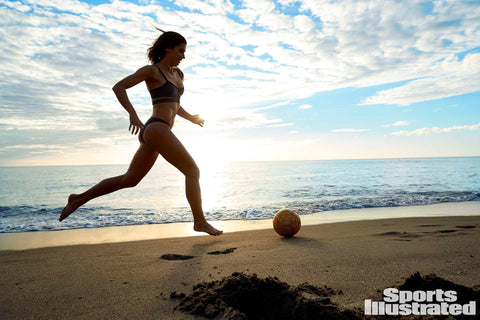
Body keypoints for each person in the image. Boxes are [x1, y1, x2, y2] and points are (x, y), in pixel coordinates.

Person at [59, 30, 223, 236]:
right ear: (168, 48)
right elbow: (119, 87)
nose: (184, 56)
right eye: (181, 51)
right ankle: (199, 222)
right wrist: (132, 114)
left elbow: (174, 105)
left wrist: (191, 117)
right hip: (156, 127)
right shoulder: (152, 71)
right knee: (192, 171)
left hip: (157, 132)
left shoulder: (178, 75)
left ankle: (79, 198)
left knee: (129, 180)